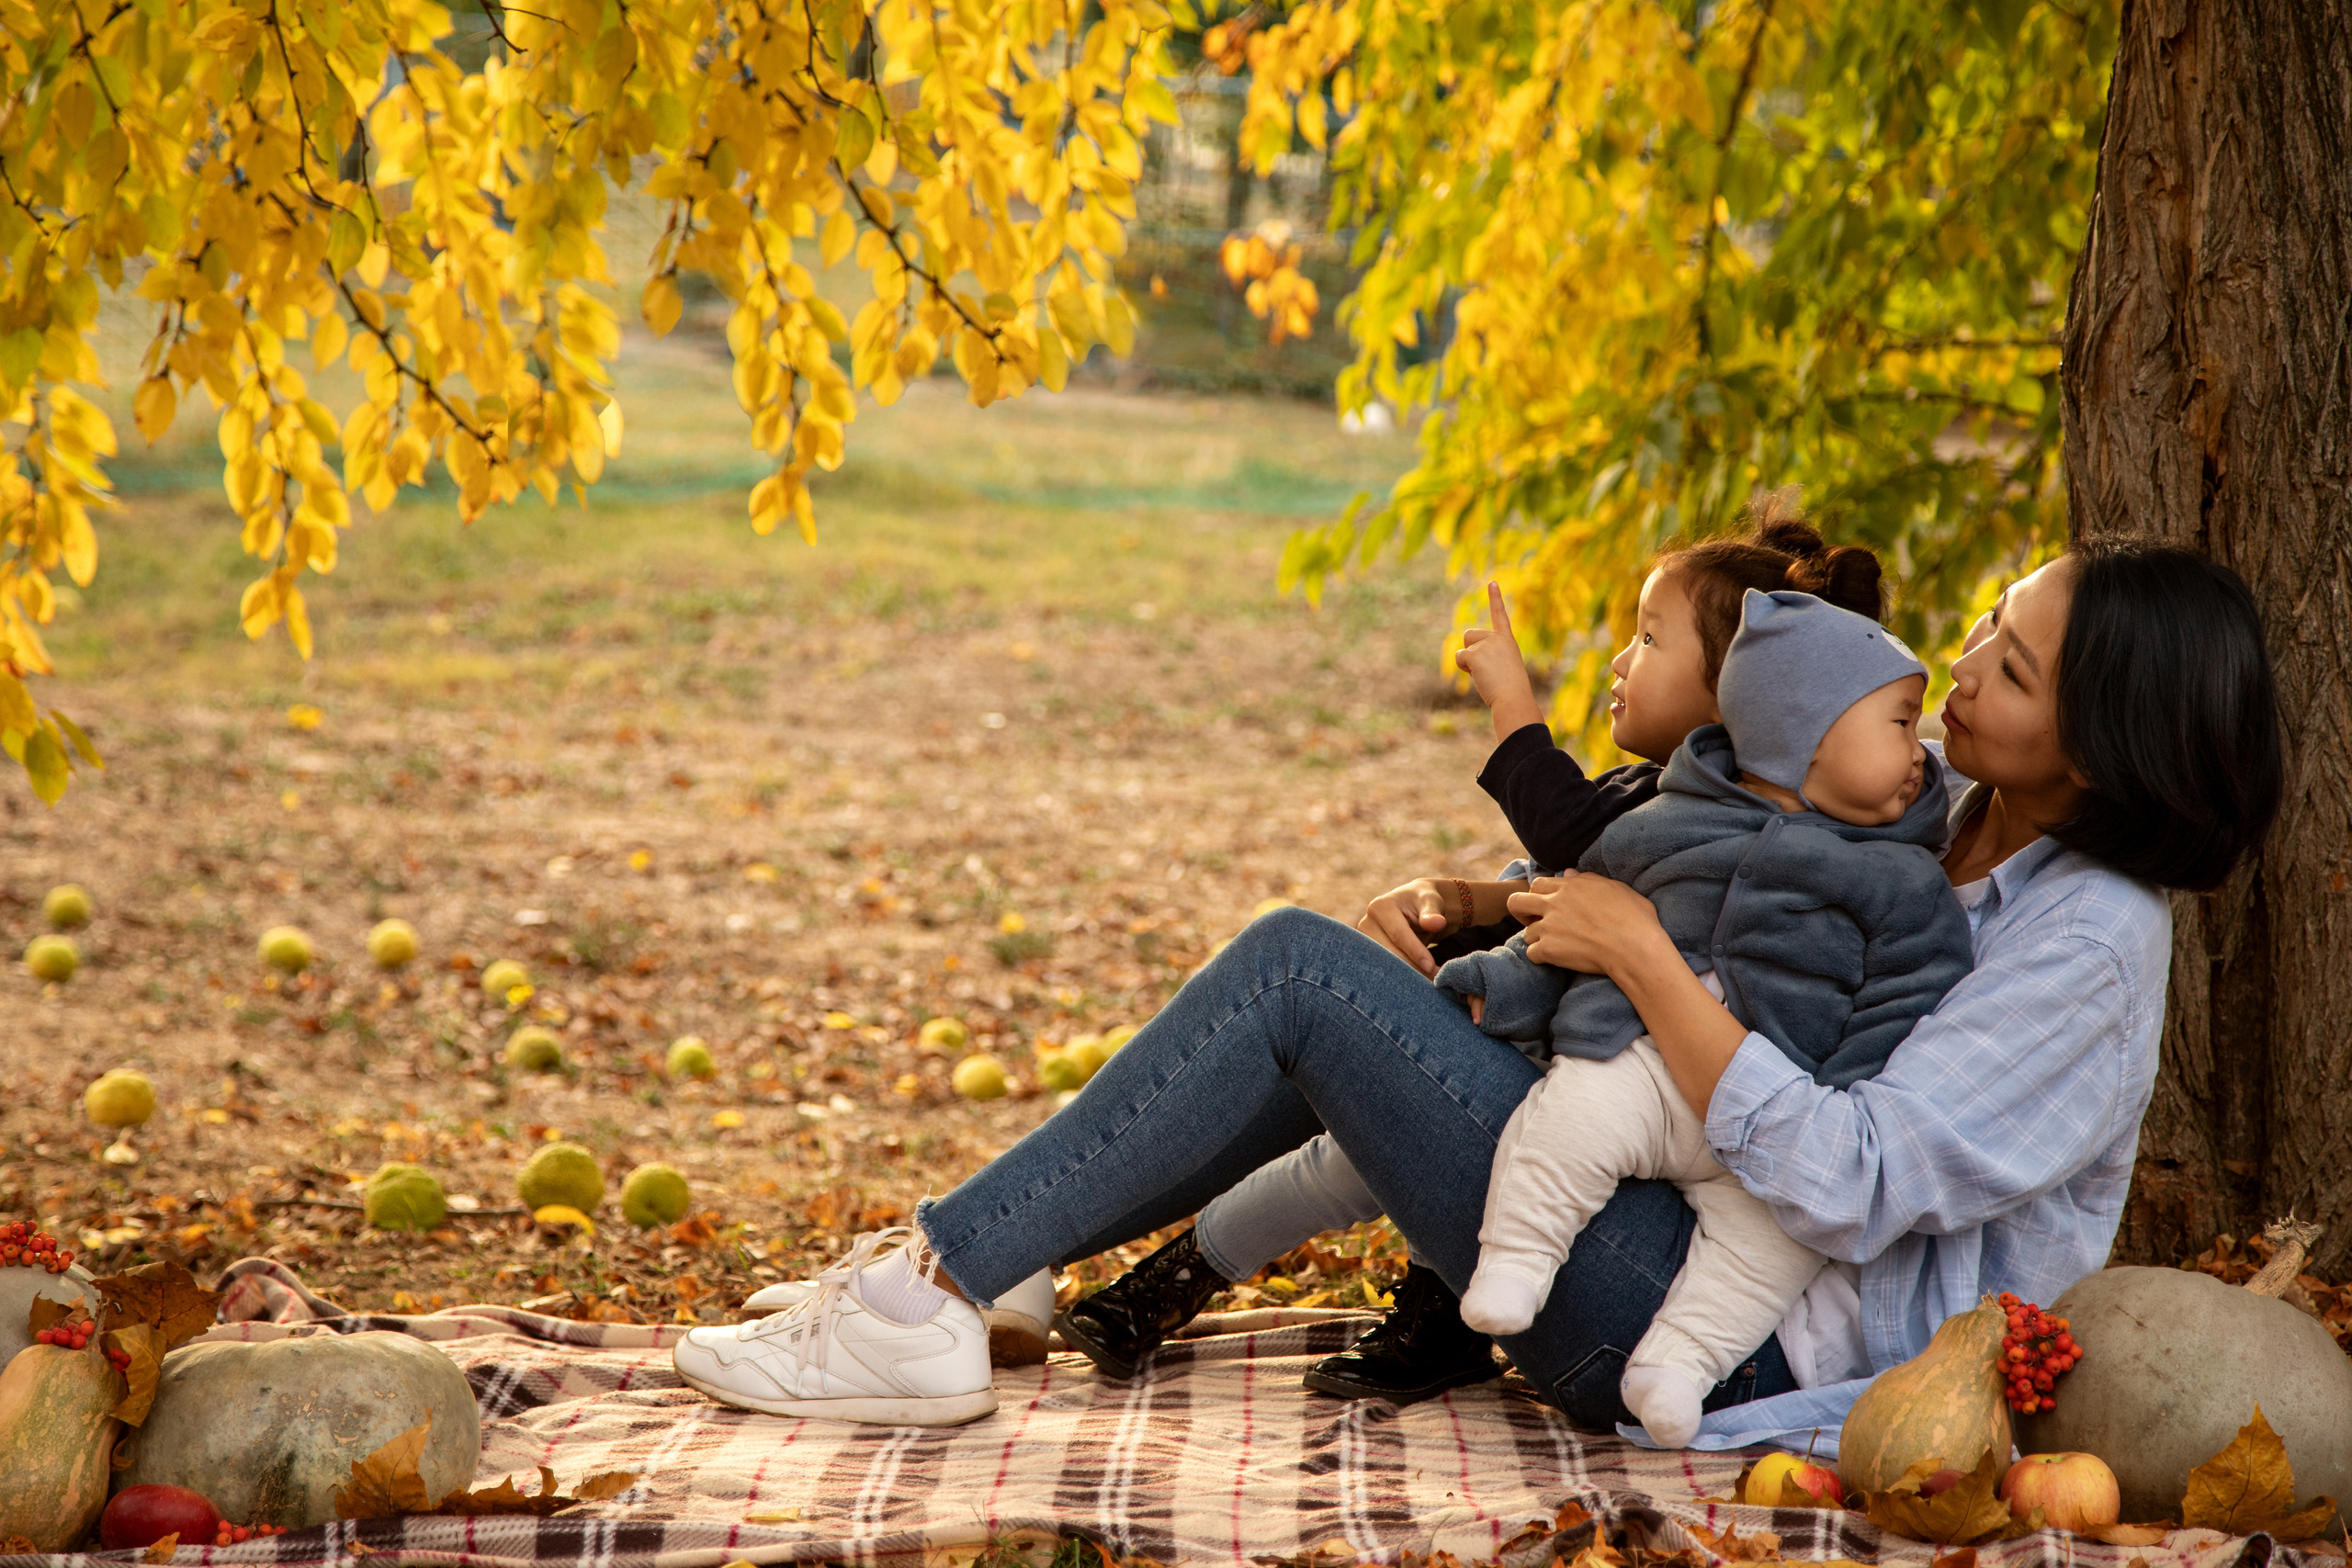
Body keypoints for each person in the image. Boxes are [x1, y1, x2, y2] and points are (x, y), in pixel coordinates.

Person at [671, 538, 2282, 1445]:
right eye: (1987, 628)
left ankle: (931, 1291)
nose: (1964, 666)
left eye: (2009, 664)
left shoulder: (2090, 944)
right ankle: (981, 1275)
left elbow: (1856, 1180)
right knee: (1372, 981)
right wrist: (1497, 907)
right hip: (1662, 1209)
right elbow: (1719, 879)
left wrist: (1637, 960)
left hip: (1743, 1342)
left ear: (2104, 738)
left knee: (1304, 973)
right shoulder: (1931, 811)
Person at [1057, 502, 1892, 1404]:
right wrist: (1465, 903)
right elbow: (1554, 874)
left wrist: (1509, 702)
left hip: (1634, 1102)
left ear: (1736, 688)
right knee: (1354, 1154)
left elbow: (1568, 831)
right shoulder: (1662, 792)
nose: (1618, 662)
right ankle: (1193, 1284)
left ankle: (1210, 1288)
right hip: (1584, 1060)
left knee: (1348, 1162)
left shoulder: (1714, 816)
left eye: (1648, 641)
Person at [1435, 588, 1973, 1445]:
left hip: (1777, 1116)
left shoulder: (1905, 881)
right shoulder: (1670, 824)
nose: (1924, 751)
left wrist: (1838, 1089)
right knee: (1570, 1120)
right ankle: (1517, 1259)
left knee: (1773, 1249)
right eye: (1903, 724)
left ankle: (1677, 1365)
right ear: (1809, 735)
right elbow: (1577, 918)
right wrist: (1500, 984)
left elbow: (1906, 999)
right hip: (1640, 1062)